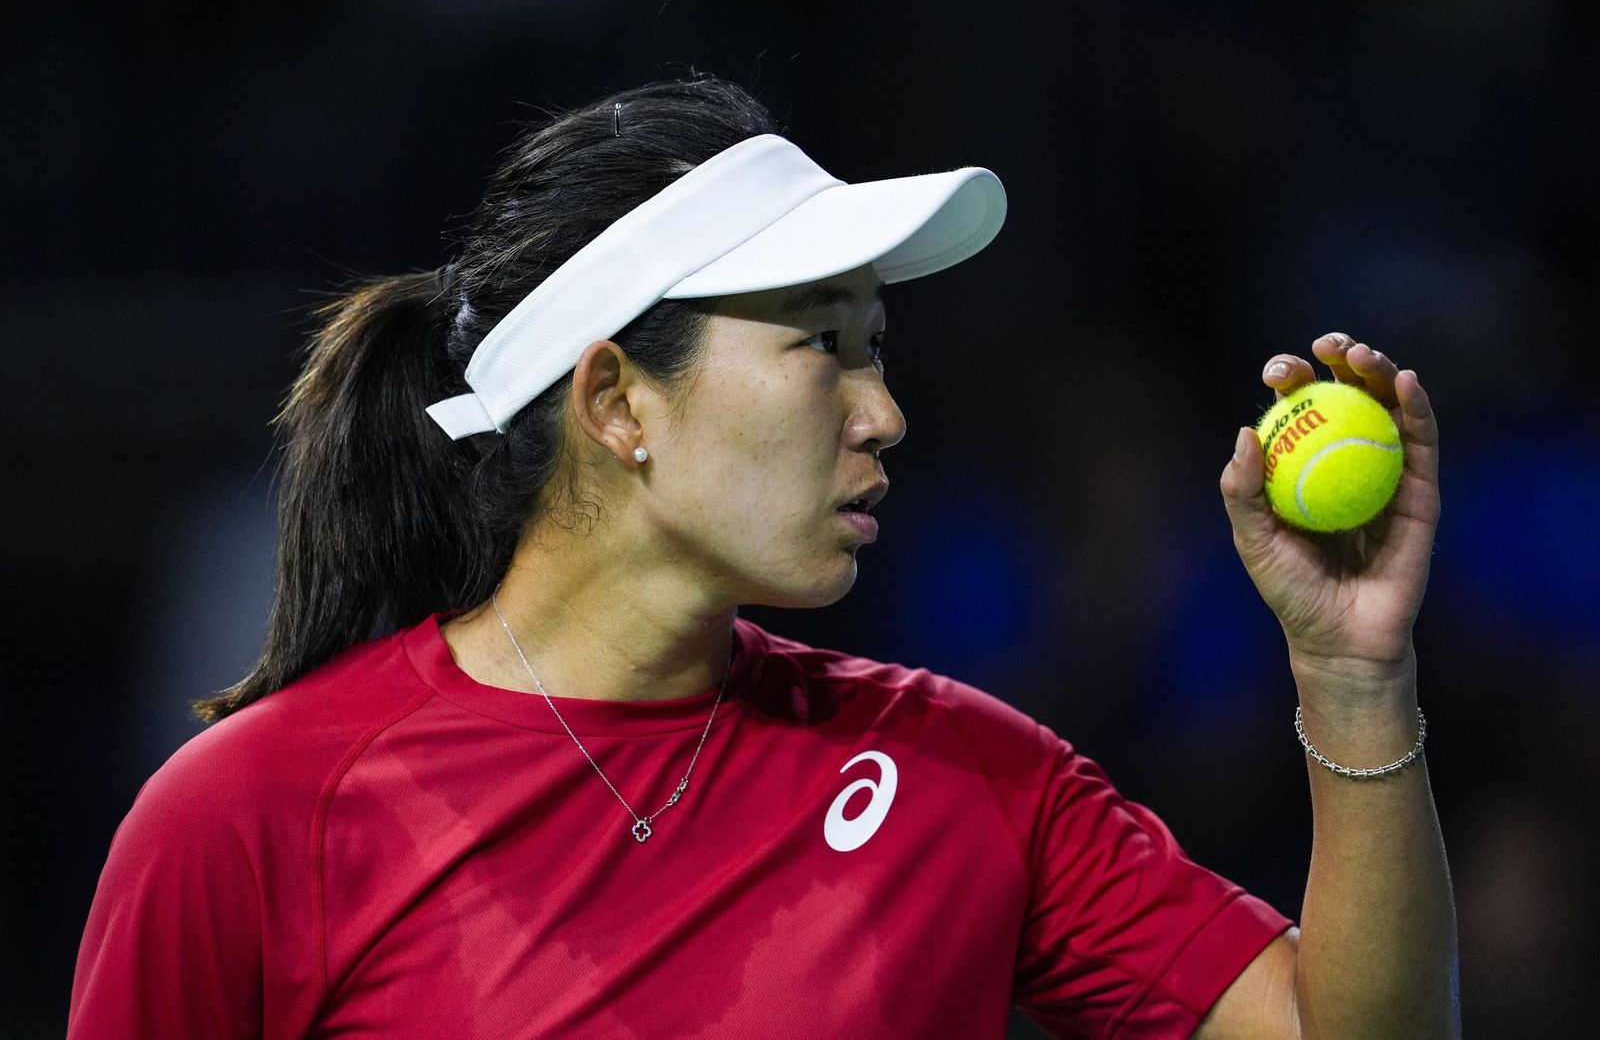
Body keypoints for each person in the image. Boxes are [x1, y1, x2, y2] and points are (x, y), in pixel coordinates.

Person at [68, 78, 1458, 1038]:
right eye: (820, 345)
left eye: (879, 347)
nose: (884, 412)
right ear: (618, 401)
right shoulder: (247, 816)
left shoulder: (972, 779)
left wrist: (1352, 671)